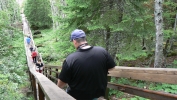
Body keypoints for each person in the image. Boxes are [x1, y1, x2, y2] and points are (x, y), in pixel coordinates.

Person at [57, 29, 116, 100]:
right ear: (85, 39)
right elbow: (112, 68)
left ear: (74, 41)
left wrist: (57, 90)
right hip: (99, 97)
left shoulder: (70, 59)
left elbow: (62, 81)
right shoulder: (102, 51)